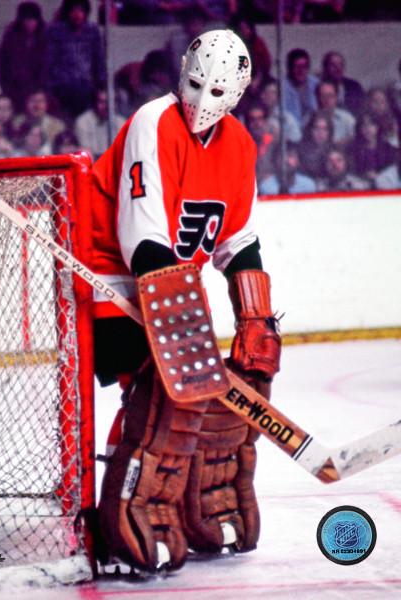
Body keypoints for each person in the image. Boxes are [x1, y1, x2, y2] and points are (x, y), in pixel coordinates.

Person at [84, 29, 281, 573]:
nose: (200, 101)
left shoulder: (240, 145)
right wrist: (177, 318)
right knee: (172, 390)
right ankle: (124, 512)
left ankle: (195, 508)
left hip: (169, 288)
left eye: (215, 92)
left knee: (235, 379)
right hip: (108, 281)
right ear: (182, 73)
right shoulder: (154, 120)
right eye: (194, 84)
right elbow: (140, 236)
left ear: (237, 93)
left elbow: (236, 239)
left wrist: (254, 314)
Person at [44, 0, 106, 120]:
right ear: (67, 12)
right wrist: (50, 87)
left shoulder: (92, 30)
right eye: (74, 10)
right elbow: (50, 60)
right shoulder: (55, 31)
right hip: (61, 86)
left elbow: (98, 59)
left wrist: (101, 85)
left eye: (81, 10)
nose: (77, 14)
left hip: (86, 86)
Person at [0, 1, 47, 113]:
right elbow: (4, 66)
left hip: (38, 89)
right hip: (16, 90)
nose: (30, 23)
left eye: (33, 20)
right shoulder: (10, 38)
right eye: (27, 20)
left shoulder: (45, 38)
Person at [347, 112, 397, 188]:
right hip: (359, 184)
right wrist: (364, 175)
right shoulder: (352, 149)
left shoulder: (388, 149)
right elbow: (351, 170)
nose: (368, 128)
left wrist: (379, 176)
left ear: (377, 127)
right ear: (359, 128)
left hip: (385, 183)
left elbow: (392, 171)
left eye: (371, 124)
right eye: (364, 125)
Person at [74, 88, 125, 160]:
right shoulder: (83, 122)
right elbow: (86, 153)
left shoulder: (121, 122)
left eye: (110, 102)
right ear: (94, 103)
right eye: (102, 102)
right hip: (93, 166)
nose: (107, 106)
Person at [320, 50, 365, 116]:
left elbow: (361, 109)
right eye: (333, 65)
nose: (338, 68)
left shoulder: (354, 86)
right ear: (325, 68)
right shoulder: (318, 87)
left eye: (340, 64)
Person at [283, 48, 319, 128]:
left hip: (314, 130)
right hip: (289, 130)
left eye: (304, 67)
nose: (301, 71)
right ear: (290, 68)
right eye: (297, 67)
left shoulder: (316, 84)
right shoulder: (281, 87)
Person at [314, 80, 355, 146]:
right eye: (323, 96)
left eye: (330, 96)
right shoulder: (310, 119)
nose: (326, 100)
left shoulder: (347, 118)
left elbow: (355, 137)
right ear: (317, 98)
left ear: (336, 97)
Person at [298, 110, 334, 180]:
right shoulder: (300, 150)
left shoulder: (335, 150)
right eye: (316, 128)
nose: (320, 133)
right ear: (310, 130)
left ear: (329, 132)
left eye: (325, 129)